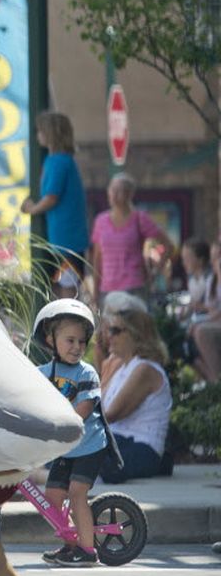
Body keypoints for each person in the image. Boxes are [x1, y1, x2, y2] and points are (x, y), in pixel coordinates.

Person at [31, 299, 108, 567]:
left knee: (77, 492)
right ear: (51, 340)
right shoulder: (42, 373)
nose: (77, 347)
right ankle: (70, 544)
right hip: (66, 448)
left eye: (81, 342)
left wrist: (66, 422)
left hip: (89, 445)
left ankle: (87, 551)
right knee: (53, 496)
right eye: (70, 340)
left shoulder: (87, 372)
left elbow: (85, 407)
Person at [98, 305, 173, 483]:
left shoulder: (144, 369)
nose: (109, 336)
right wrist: (107, 371)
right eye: (109, 330)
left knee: (82, 457)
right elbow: (98, 406)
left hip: (142, 448)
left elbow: (109, 415)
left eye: (115, 330)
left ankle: (41, 479)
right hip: (119, 440)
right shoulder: (122, 365)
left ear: (136, 335)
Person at [21, 112, 89, 291]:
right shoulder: (57, 160)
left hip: (66, 240)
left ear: (50, 134)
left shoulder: (59, 162)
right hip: (62, 238)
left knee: (66, 290)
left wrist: (32, 209)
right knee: (61, 287)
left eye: (40, 131)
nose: (38, 136)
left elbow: (52, 197)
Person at [88, 172, 174, 308]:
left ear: (129, 194)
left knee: (135, 328)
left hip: (134, 287)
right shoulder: (100, 221)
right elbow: (97, 258)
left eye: (119, 191)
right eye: (112, 190)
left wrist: (156, 271)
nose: (114, 195)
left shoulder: (140, 218)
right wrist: (95, 293)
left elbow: (168, 245)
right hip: (107, 289)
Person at [188, 239, 221, 382]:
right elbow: (211, 310)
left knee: (200, 331)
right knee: (188, 336)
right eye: (213, 258)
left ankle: (216, 378)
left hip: (215, 321)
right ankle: (209, 378)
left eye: (218, 257)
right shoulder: (211, 281)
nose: (215, 262)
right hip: (214, 320)